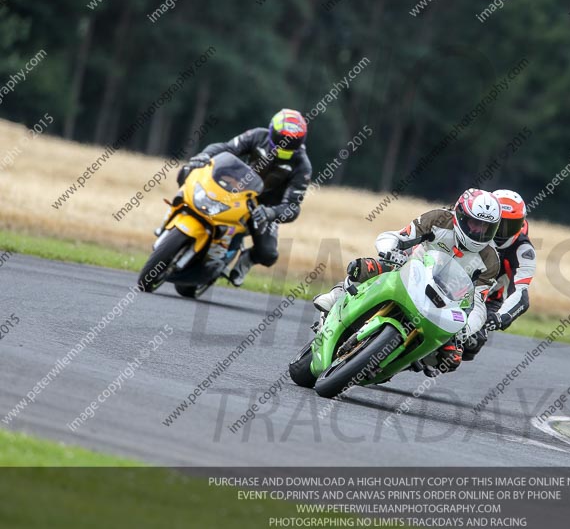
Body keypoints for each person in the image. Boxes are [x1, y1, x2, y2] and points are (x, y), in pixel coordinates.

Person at [313, 188, 502, 375]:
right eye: (474, 223)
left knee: (452, 357)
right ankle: (337, 296)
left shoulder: (490, 259)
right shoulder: (439, 220)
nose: (479, 231)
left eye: (486, 227)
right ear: (460, 215)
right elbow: (396, 236)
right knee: (366, 267)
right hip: (410, 271)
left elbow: (478, 302)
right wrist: (389, 250)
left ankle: (399, 364)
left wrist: (466, 329)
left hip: (446, 303)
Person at [178, 108, 312, 286]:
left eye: (291, 143)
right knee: (187, 175)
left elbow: (293, 206)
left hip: (265, 209)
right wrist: (205, 155)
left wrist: (271, 214)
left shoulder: (302, 166)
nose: (284, 145)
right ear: (273, 131)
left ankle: (246, 260)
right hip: (237, 191)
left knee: (268, 253)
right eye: (281, 140)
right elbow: (227, 148)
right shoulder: (257, 136)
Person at [462, 189, 536, 361]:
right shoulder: (470, 227)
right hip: (450, 285)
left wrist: (500, 317)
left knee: (473, 342)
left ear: (521, 223)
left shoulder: (524, 250)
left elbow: (521, 293)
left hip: (487, 300)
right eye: (499, 223)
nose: (502, 231)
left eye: (510, 226)